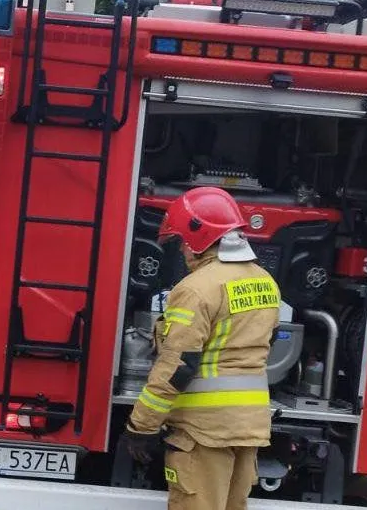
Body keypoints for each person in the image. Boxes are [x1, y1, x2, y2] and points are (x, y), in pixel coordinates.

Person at [121, 186, 281, 510]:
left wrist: (141, 426)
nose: (181, 250)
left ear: (200, 236)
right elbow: (268, 341)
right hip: (247, 429)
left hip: (203, 432)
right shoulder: (265, 281)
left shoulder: (196, 289)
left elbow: (178, 366)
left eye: (182, 240)